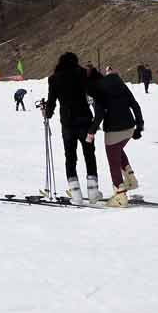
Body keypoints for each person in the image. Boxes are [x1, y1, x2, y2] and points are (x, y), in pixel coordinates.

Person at [43, 52, 102, 202]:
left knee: (70, 157)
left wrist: (47, 113)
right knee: (89, 154)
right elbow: (98, 85)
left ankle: (76, 193)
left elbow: (51, 102)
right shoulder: (82, 73)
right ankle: (93, 192)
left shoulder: (54, 79)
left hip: (67, 123)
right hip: (85, 121)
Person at [88, 65, 147, 203]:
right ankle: (130, 178)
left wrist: (91, 132)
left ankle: (120, 194)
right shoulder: (120, 84)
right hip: (129, 128)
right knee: (118, 150)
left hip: (114, 130)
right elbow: (134, 104)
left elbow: (99, 114)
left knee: (113, 162)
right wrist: (140, 126)